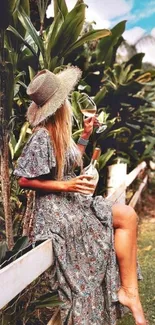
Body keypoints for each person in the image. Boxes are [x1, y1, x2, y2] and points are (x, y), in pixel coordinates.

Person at [14, 66, 147, 325]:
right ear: (59, 105)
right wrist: (67, 186)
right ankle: (125, 293)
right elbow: (23, 179)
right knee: (121, 218)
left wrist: (85, 135)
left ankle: (129, 292)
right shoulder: (41, 136)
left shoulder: (56, 134)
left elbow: (71, 161)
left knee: (127, 216)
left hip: (70, 202)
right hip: (56, 210)